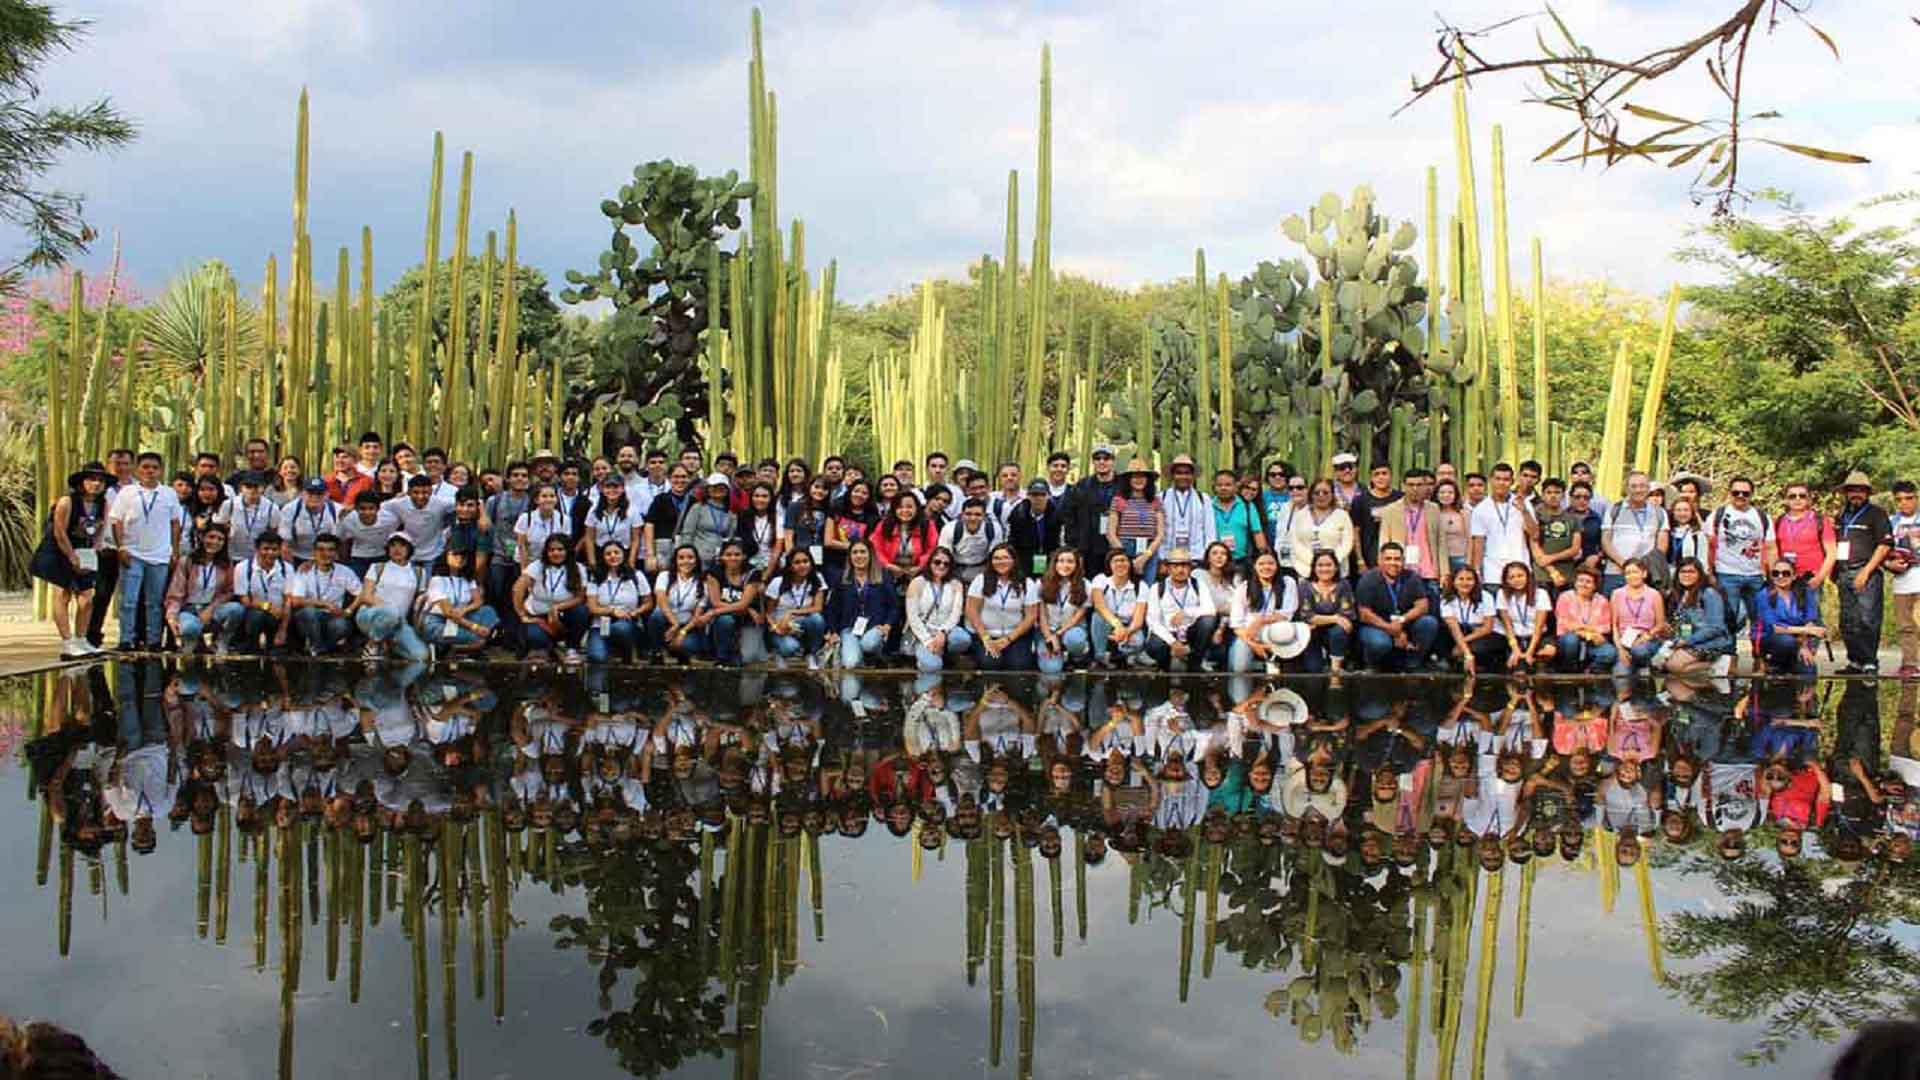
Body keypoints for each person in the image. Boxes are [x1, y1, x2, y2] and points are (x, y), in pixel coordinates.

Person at [33, 461, 110, 658]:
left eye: (100, 480)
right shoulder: (67, 502)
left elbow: (100, 530)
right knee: (63, 594)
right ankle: (67, 642)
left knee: (87, 598)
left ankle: (81, 639)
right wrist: (71, 556)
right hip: (59, 549)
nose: (96, 484)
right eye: (91, 479)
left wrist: (93, 551)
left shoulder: (103, 503)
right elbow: (59, 532)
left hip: (84, 549)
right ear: (81, 482)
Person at [109, 451, 182, 651]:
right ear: (137, 469)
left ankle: (153, 641)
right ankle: (126, 639)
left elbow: (175, 523)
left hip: (159, 555)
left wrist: (174, 552)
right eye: (145, 467)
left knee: (155, 602)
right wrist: (121, 547)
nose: (150, 471)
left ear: (161, 470)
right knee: (129, 601)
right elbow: (116, 520)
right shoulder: (127, 492)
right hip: (132, 553)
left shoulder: (169, 493)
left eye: (154, 468)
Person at [1833, 471, 1893, 674]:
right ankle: (1855, 661)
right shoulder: (1841, 515)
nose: (1856, 494)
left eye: (1860, 490)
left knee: (1868, 618)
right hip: (1843, 572)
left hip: (1866, 571)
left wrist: (1866, 572)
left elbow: (1884, 545)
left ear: (1867, 492)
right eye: (1852, 490)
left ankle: (1869, 661)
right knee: (1848, 620)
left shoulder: (1877, 513)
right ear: (1846, 493)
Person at [1707, 478, 1773, 649]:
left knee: (1759, 618)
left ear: (1752, 495)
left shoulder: (1762, 517)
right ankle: (1730, 657)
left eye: (1745, 493)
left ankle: (1759, 656)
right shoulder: (1717, 515)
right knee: (1729, 618)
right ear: (1730, 493)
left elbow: (1771, 547)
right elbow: (1709, 545)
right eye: (1736, 492)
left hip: (1755, 575)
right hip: (1726, 572)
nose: (1740, 496)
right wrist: (1710, 572)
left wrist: (1773, 574)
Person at [1353, 542, 1438, 671]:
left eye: (1397, 559)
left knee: (1429, 623)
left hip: (1404, 623)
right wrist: (1392, 629)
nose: (1393, 563)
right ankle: (1373, 664)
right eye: (1388, 559)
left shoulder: (1412, 577)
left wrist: (1401, 620)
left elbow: (1423, 606)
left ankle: (1413, 663)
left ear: (1403, 561)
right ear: (1379, 561)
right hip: (1377, 626)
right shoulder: (1368, 579)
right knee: (1379, 643)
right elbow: (1364, 614)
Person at [350, 534, 428, 662]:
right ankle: (373, 644)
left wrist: (417, 624)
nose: (397, 549)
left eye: (402, 545)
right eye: (393, 545)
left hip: (399, 622)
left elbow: (419, 603)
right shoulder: (377, 567)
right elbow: (366, 596)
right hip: (371, 615)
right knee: (392, 612)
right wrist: (387, 608)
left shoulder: (419, 572)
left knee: (421, 656)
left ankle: (389, 644)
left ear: (409, 549)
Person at [514, 535, 589, 663]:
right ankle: (548, 650)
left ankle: (571, 648)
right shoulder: (537, 566)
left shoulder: (578, 568)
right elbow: (517, 589)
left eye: (560, 549)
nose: (556, 553)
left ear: (567, 551)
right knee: (535, 637)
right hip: (539, 616)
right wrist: (521, 614)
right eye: (551, 550)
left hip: (565, 612)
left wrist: (557, 608)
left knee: (582, 611)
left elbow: (580, 597)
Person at [1229, 549, 1305, 673]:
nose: (1266, 567)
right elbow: (1236, 624)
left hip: (1278, 634)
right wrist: (1254, 645)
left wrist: (1260, 621)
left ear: (1277, 565)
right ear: (1254, 566)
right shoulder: (1244, 588)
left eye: (1270, 563)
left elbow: (1287, 614)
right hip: (1249, 636)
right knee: (1240, 667)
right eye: (1261, 564)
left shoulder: (1288, 583)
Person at [826, 538, 898, 668]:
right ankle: (865, 660)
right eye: (855, 552)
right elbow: (832, 608)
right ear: (850, 556)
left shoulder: (883, 576)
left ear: (870, 555)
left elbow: (893, 606)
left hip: (875, 627)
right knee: (850, 664)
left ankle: (876, 655)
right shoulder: (841, 578)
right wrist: (833, 631)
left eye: (863, 552)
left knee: (869, 644)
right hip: (849, 628)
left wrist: (887, 625)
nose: (859, 556)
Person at [966, 542, 1038, 671]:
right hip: (987, 634)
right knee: (990, 664)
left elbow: (1031, 616)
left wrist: (1007, 639)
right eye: (996, 558)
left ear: (1014, 560)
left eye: (1005, 557)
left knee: (1019, 666)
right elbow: (971, 611)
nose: (1001, 562)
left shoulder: (1027, 583)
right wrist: (986, 638)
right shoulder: (980, 580)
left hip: (1015, 635)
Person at [163, 522, 232, 655]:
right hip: (190, 609)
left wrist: (211, 609)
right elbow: (175, 594)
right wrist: (171, 617)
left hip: (213, 609)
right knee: (190, 628)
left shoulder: (225, 564)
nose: (215, 542)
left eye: (220, 539)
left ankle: (220, 642)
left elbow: (228, 591)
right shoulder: (187, 561)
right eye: (211, 537)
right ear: (202, 538)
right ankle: (193, 643)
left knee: (235, 610)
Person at [287, 533, 361, 656]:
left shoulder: (345, 571)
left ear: (336, 553)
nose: (325, 554)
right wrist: (325, 604)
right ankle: (319, 648)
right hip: (309, 618)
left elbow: (361, 594)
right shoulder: (304, 570)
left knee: (342, 625)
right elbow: (296, 600)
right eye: (320, 549)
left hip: (332, 617)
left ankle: (319, 646)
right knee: (308, 612)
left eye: (330, 550)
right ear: (314, 553)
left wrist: (349, 610)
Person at [220, 529, 292, 654]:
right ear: (257, 549)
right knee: (256, 616)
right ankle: (250, 646)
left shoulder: (287, 568)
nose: (270, 553)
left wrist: (283, 630)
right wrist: (267, 606)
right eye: (266, 549)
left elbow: (288, 600)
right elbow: (244, 600)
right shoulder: (243, 567)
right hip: (253, 614)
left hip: (278, 615)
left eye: (274, 549)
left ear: (280, 550)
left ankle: (275, 644)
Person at [1145, 547, 1215, 672]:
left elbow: (1210, 610)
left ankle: (1194, 663)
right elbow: (1153, 621)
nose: (1180, 570)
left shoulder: (1198, 584)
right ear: (1168, 568)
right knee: (1156, 645)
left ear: (1190, 568)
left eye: (1184, 565)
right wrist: (1173, 642)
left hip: (1190, 634)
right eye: (1175, 566)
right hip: (1167, 634)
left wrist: (1187, 612)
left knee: (1208, 621)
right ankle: (1164, 666)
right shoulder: (1157, 588)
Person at [421, 544, 498, 658]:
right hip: (438, 622)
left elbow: (478, 601)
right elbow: (449, 612)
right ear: (445, 557)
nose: (459, 558)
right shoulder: (437, 580)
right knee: (476, 638)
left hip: (461, 619)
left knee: (488, 611)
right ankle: (454, 649)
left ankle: (462, 647)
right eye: (455, 554)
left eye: (463, 556)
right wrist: (475, 627)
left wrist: (464, 609)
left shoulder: (467, 579)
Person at [1468, 463, 1535, 592]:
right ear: (1491, 480)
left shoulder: (1523, 502)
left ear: (1512, 481)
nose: (1501, 483)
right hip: (1493, 572)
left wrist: (1524, 511)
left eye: (1506, 479)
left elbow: (1535, 534)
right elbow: (1479, 542)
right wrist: (1476, 570)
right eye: (1498, 479)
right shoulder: (1480, 509)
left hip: (1520, 569)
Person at [1378, 468, 1445, 596]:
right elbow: (1384, 542)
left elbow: (1441, 543)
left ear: (1425, 487)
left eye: (1419, 485)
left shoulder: (1434, 509)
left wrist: (1444, 572)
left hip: (1428, 572)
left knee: (1431, 612)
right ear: (1403, 486)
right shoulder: (1390, 510)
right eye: (1411, 485)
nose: (1415, 488)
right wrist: (1384, 570)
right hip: (1400, 570)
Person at [1662, 557, 1733, 676]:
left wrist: (1686, 641)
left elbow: (1715, 627)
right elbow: (1681, 624)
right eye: (1683, 571)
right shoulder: (1678, 595)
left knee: (1673, 666)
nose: (1686, 575)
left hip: (1709, 643)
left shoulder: (1709, 593)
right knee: (1661, 664)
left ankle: (1718, 665)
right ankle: (1704, 677)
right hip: (1686, 641)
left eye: (1691, 572)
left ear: (1700, 574)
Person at [1601, 472, 1670, 594]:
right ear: (1626, 488)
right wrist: (1625, 565)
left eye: (1642, 486)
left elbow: (1662, 546)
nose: (1638, 490)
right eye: (1633, 486)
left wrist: (1641, 568)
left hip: (1645, 573)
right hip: (1616, 572)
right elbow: (1606, 541)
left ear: (1648, 488)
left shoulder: (1659, 512)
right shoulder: (1613, 509)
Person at [1755, 558, 1826, 675]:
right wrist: (1807, 630)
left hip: (1798, 640)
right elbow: (1775, 628)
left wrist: (1804, 647)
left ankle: (1793, 667)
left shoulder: (1805, 592)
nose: (1780, 576)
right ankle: (1773, 665)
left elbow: (1810, 620)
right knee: (1786, 641)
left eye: (1786, 573)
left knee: (1809, 670)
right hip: (1772, 639)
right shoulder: (1764, 595)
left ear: (1794, 576)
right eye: (1776, 573)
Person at [904, 546, 971, 672]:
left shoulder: (956, 584)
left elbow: (955, 614)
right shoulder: (917, 583)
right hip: (923, 631)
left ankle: (947, 655)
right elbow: (912, 617)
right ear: (929, 563)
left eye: (946, 564)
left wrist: (943, 632)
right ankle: (926, 656)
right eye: (937, 562)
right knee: (933, 666)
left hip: (947, 630)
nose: (941, 566)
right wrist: (927, 641)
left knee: (963, 639)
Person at [581, 541, 648, 663]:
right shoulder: (595, 577)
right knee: (597, 657)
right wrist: (612, 611)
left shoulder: (636, 575)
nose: (613, 556)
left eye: (616, 552)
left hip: (628, 622)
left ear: (623, 554)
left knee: (620, 628)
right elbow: (592, 607)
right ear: (603, 557)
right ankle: (611, 649)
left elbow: (648, 603)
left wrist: (636, 612)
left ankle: (628, 651)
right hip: (601, 625)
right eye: (608, 554)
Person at [762, 546, 829, 666]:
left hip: (802, 624)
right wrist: (775, 627)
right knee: (790, 648)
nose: (802, 565)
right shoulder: (778, 582)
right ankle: (779, 652)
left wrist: (792, 612)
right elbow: (769, 612)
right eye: (797, 562)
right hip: (782, 626)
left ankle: (811, 654)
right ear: (790, 565)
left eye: (805, 561)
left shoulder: (817, 578)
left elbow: (818, 608)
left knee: (817, 619)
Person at [702, 540, 763, 665]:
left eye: (737, 554)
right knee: (725, 620)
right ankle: (722, 658)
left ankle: (736, 651)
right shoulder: (713, 573)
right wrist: (745, 609)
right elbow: (716, 601)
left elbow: (743, 604)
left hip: (747, 620)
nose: (733, 558)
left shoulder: (753, 573)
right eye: (728, 554)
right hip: (725, 618)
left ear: (744, 556)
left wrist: (712, 612)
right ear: (722, 557)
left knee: (748, 658)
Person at [1089, 547, 1150, 668]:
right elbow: (1099, 606)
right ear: (1109, 565)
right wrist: (1117, 625)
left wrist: (1126, 631)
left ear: (1130, 564)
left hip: (1128, 625)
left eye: (1123, 560)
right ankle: (1100, 657)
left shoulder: (1140, 585)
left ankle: (1121, 656)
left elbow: (1138, 620)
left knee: (1137, 642)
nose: (1120, 564)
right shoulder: (1100, 579)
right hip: (1108, 622)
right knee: (1097, 617)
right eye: (1115, 561)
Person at [1060, 445, 1119, 571]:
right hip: (1088, 550)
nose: (1101, 461)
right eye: (1097, 458)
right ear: (1093, 461)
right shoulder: (1081, 486)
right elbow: (1070, 520)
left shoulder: (1124, 486)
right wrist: (1075, 550)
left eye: (1106, 458)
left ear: (1113, 460)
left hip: (1116, 548)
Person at [1033, 547, 1091, 674]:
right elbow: (1042, 616)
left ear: (1077, 565)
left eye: (1070, 561)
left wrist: (1058, 635)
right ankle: (1059, 656)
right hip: (1047, 631)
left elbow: (1078, 617)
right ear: (1054, 563)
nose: (1065, 565)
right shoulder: (1041, 583)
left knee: (1074, 640)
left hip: (1072, 629)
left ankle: (1077, 657)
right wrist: (1050, 637)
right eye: (1061, 561)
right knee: (1052, 669)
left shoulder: (1085, 585)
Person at [1106, 458, 1164, 584]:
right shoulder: (1119, 500)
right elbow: (1110, 533)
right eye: (1135, 476)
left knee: (1146, 589)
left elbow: (1160, 534)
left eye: (1142, 476)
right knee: (1124, 587)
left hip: (1149, 550)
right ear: (1128, 479)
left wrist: (1145, 556)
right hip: (1124, 547)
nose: (1139, 480)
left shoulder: (1155, 501)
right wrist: (1124, 557)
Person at [1296, 550, 1355, 673]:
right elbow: (1307, 616)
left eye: (1328, 565)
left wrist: (1322, 620)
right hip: (1313, 633)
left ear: (1336, 567)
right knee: (1314, 669)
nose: (1324, 569)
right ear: (1314, 567)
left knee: (1339, 631)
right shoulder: (1305, 585)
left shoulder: (1343, 585)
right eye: (1320, 565)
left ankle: (1336, 670)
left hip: (1336, 634)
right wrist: (1335, 618)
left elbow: (1346, 614)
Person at [648, 544, 710, 661]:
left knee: (684, 646)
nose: (686, 561)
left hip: (687, 627)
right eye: (681, 558)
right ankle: (656, 652)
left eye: (690, 557)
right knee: (656, 615)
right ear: (675, 561)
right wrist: (674, 623)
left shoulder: (703, 582)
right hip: (666, 623)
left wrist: (682, 631)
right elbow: (661, 601)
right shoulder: (664, 576)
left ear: (696, 561)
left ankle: (679, 653)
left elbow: (697, 615)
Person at [1609, 557, 1669, 675]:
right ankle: (1634, 667)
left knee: (1639, 651)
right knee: (1620, 675)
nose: (1632, 576)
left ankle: (1648, 666)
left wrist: (1644, 637)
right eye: (1628, 573)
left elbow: (1660, 624)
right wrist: (1620, 650)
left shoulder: (1654, 594)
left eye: (1635, 572)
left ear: (1644, 574)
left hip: (1648, 640)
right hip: (1625, 642)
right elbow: (1614, 626)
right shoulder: (1617, 594)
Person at [382, 474, 456, 569]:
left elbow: (464, 503)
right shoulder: (399, 503)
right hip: (409, 553)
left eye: (425, 492)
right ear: (408, 492)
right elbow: (380, 507)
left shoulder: (441, 503)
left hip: (433, 553)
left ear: (431, 491)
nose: (420, 497)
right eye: (416, 492)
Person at [1554, 566, 1618, 673]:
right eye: (1580, 581)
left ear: (1594, 586)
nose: (1583, 584)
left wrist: (1589, 633)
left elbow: (1605, 627)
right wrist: (1588, 632)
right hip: (1569, 640)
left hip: (1592, 642)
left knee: (1609, 652)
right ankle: (1569, 670)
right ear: (1575, 583)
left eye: (1588, 582)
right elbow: (1564, 623)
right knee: (1571, 640)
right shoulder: (1565, 597)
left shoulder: (1602, 601)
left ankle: (1590, 670)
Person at [1493, 561, 1556, 671]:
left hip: (1537, 635)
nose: (1516, 580)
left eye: (1520, 575)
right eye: (1511, 577)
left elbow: (1539, 628)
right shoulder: (1502, 594)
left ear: (1528, 576)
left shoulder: (1541, 594)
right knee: (1516, 667)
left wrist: (1529, 652)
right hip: (1514, 637)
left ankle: (1538, 663)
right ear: (1506, 581)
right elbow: (1508, 626)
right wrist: (1516, 649)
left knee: (1549, 651)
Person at [1440, 565, 1503, 674]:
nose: (1465, 583)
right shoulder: (1446, 598)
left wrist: (1462, 644)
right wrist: (1467, 653)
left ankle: (1478, 664)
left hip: (1480, 633)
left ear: (1475, 581)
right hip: (1458, 631)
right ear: (1454, 581)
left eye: (1469, 579)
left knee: (1481, 647)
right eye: (1461, 579)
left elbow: (1488, 627)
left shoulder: (1485, 596)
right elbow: (1453, 627)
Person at [1287, 479, 1353, 579]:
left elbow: (1347, 543)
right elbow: (1295, 542)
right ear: (1311, 495)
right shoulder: (1300, 515)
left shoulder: (1342, 516)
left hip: (1335, 571)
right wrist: (1314, 561)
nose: (1321, 496)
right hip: (1306, 570)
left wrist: (1331, 562)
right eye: (1317, 493)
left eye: (1325, 492)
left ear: (1332, 494)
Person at [1529, 477, 1583, 595]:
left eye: (1557, 492)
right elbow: (1534, 546)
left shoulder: (1573, 519)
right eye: (1549, 492)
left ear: (1564, 495)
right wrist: (1552, 571)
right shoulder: (1535, 517)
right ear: (1542, 495)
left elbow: (1575, 549)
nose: (1553, 496)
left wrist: (1552, 558)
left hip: (1567, 576)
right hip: (1542, 576)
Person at [872, 489, 939, 584]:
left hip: (918, 574)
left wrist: (920, 567)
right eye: (900, 507)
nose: (905, 511)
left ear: (917, 508)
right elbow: (875, 547)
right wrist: (887, 565)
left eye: (909, 507)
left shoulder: (927, 525)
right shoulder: (884, 525)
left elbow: (932, 549)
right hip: (888, 573)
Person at [1889, 480, 1920, 677]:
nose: (1904, 503)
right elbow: (1883, 551)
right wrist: (1889, 564)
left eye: (1909, 498)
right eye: (1899, 499)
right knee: (1905, 626)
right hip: (1901, 581)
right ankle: (1909, 664)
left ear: (1916, 498)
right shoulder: (1891, 522)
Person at [639, 465, 696, 573]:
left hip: (686, 552)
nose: (680, 480)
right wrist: (650, 554)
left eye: (684, 477)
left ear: (689, 479)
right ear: (669, 479)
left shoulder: (694, 502)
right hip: (663, 550)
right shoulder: (660, 499)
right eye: (676, 477)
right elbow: (649, 525)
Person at [1195, 542, 1242, 670]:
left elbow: (1237, 608)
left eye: (1223, 554)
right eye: (1215, 553)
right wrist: (1222, 610)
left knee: (1222, 652)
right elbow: (1203, 605)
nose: (1219, 557)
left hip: (1227, 625)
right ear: (1208, 557)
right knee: (1208, 621)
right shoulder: (1198, 575)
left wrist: (1221, 628)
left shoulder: (1234, 578)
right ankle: (1196, 662)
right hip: (1201, 623)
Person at [215, 469, 278, 564]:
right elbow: (218, 526)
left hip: (259, 558)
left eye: (256, 486)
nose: (252, 490)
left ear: (263, 488)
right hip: (232, 556)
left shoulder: (272, 508)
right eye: (248, 486)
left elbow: (274, 531)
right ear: (241, 488)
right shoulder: (229, 504)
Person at [580, 475, 641, 571]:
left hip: (623, 554)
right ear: (602, 489)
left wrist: (631, 561)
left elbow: (635, 539)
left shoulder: (632, 511)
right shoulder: (594, 511)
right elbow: (589, 538)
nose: (612, 490)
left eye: (616, 487)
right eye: (608, 487)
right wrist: (592, 562)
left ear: (622, 489)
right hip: (600, 554)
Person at [1208, 468, 1266, 565]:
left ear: (1235, 487)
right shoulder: (1208, 505)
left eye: (1228, 485)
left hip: (1241, 561)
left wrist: (1263, 556)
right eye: (1219, 485)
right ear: (1214, 487)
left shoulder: (1247, 505)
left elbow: (1257, 533)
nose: (1223, 488)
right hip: (1214, 561)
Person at [1348, 462, 1400, 570]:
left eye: (1384, 473)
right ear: (1371, 478)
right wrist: (1360, 559)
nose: (1381, 477)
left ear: (1391, 475)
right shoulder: (1360, 500)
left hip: (1396, 558)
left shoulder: (1400, 498)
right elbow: (1355, 531)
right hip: (1369, 558)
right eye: (1376, 474)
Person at [1006, 479, 1063, 577]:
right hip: (1023, 566)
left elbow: (1061, 544)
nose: (1039, 498)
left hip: (1051, 565)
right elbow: (1011, 545)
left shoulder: (1057, 516)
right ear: (1028, 496)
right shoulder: (1017, 515)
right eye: (1035, 495)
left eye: (1042, 495)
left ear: (1049, 496)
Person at [939, 497, 1001, 584]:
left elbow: (996, 556)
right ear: (962, 515)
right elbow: (943, 556)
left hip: (982, 567)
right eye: (968, 514)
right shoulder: (949, 529)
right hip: (956, 568)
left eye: (977, 514)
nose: (972, 518)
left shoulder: (994, 529)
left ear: (984, 516)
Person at [1160, 455, 1213, 554]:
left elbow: (1210, 531)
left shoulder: (1203, 499)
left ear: (1193, 476)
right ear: (1172, 475)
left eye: (1187, 473)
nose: (1183, 477)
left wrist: (1208, 556)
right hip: (1167, 556)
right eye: (1179, 473)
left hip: (1196, 556)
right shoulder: (1161, 497)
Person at [336, 490, 390, 579]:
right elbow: (339, 539)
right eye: (362, 508)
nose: (367, 513)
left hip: (381, 557)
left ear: (378, 509)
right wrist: (343, 560)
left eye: (371, 508)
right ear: (356, 508)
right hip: (358, 558)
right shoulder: (348, 520)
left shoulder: (388, 519)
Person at [735, 481, 784, 574]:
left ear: (771, 498)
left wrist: (767, 574)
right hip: (749, 564)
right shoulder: (743, 516)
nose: (760, 500)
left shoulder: (778, 517)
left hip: (773, 564)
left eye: (765, 496)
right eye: (756, 496)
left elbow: (778, 547)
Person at [1433, 477, 1470, 574]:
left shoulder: (1464, 513)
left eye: (1450, 492)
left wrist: (1468, 561)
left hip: (1460, 558)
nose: (1446, 495)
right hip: (1439, 560)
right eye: (1442, 492)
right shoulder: (1432, 513)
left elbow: (1470, 539)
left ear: (1456, 495)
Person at [1666, 496, 1710, 568]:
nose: (1682, 513)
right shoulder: (1668, 533)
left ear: (1692, 513)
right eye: (1678, 510)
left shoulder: (1697, 534)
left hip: (1689, 573)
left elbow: (1703, 559)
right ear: (1673, 512)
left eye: (1686, 510)